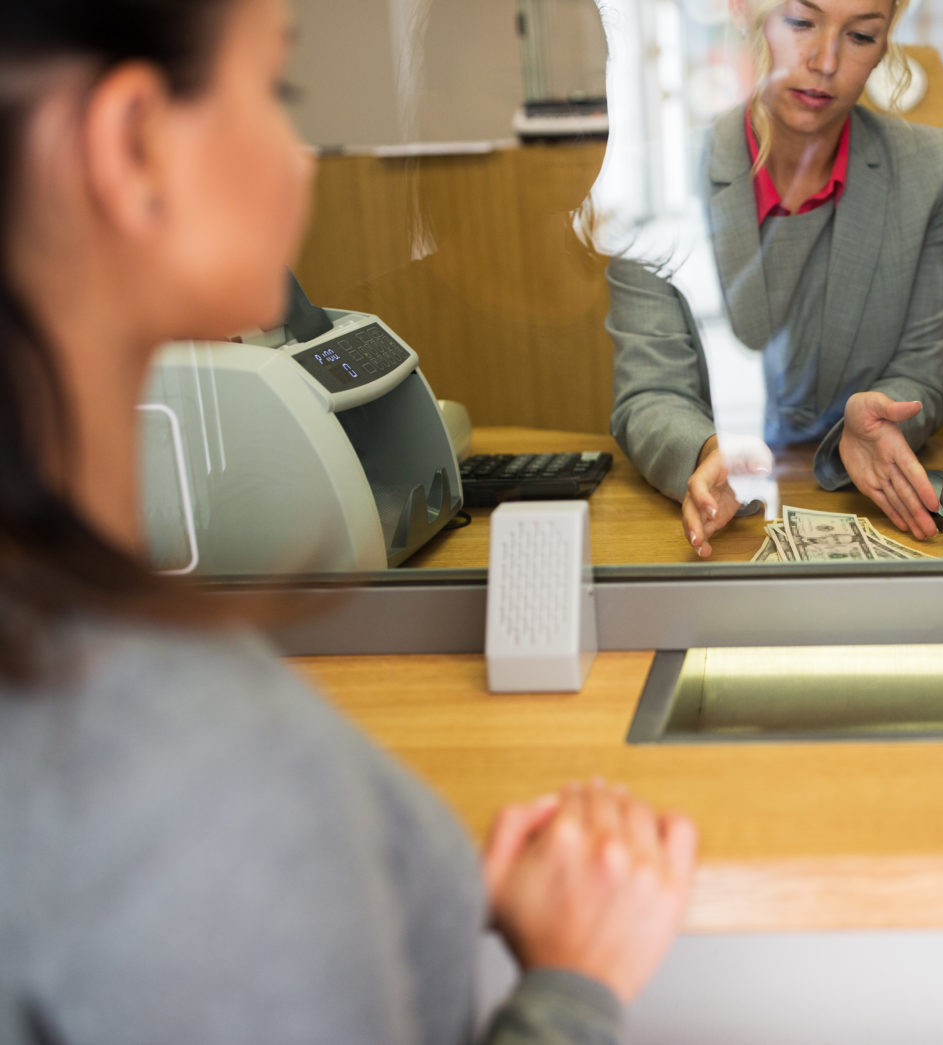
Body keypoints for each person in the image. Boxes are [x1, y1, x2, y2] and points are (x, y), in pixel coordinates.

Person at [0, 2, 695, 1042]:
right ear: (134, 145)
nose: (306, 160)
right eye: (276, 95)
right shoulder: (209, 788)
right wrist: (569, 989)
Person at [607, 0, 943, 557]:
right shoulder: (654, 182)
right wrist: (706, 449)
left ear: (884, 45)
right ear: (743, 12)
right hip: (728, 523)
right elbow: (651, 392)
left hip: (854, 502)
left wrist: (882, 412)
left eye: (861, 36)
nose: (824, 61)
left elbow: (922, 371)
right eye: (801, 23)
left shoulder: (931, 170)